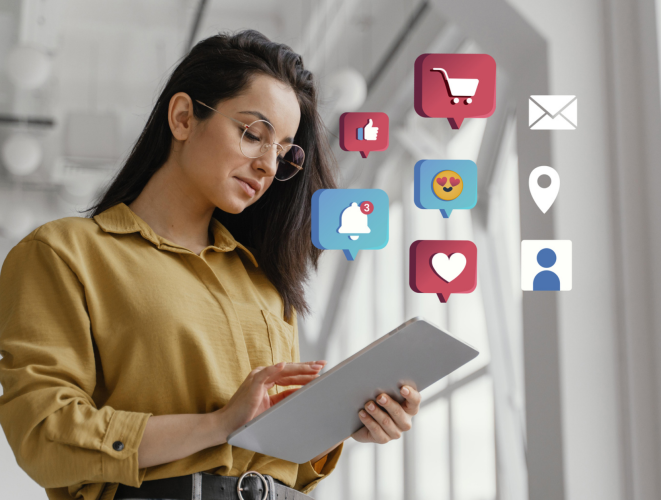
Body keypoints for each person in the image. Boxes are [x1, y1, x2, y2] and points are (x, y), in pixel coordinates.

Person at [0, 30, 420, 500]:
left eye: (283, 152)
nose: (266, 165)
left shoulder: (264, 283)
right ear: (183, 117)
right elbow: (43, 433)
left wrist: (343, 421)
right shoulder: (64, 254)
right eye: (253, 134)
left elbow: (279, 459)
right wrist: (217, 425)